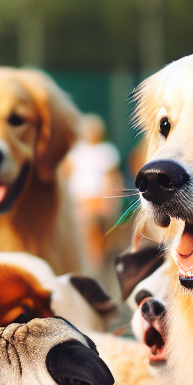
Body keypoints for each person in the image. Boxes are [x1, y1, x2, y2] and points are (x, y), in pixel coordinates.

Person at [67, 113, 123, 274]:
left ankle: (94, 268)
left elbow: (112, 179)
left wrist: (108, 202)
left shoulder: (106, 151)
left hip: (96, 199)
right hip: (79, 199)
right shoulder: (75, 152)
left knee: (95, 235)